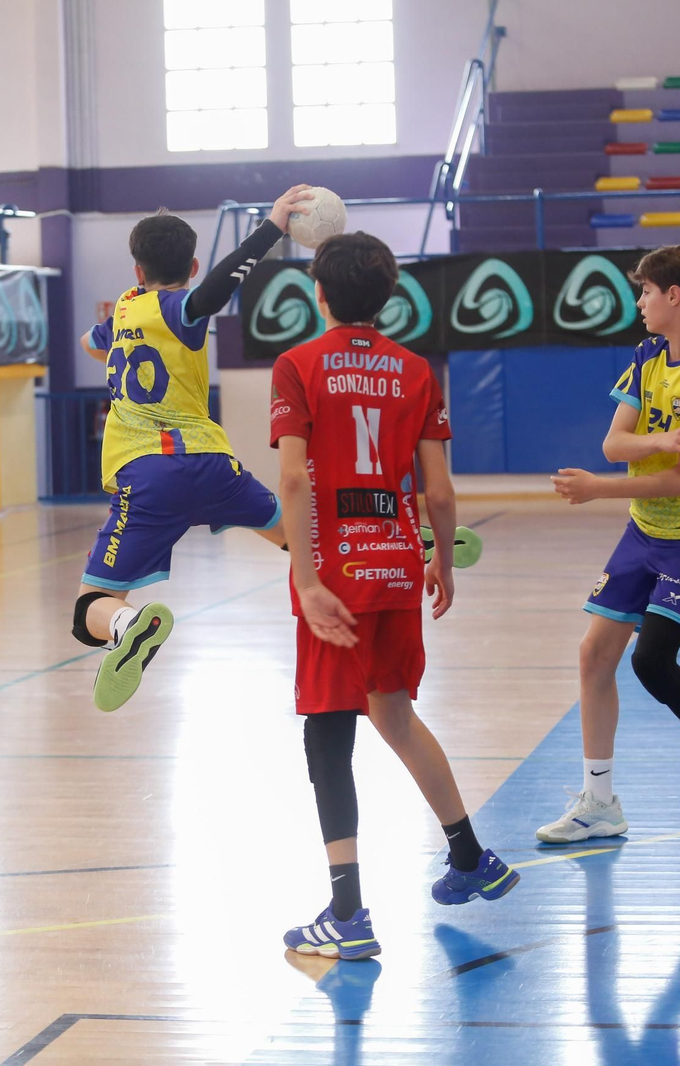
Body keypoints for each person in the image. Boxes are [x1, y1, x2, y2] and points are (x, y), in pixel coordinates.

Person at [270, 233, 518, 961]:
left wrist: (308, 581)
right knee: (394, 713)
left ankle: (347, 914)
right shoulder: (415, 371)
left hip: (336, 572)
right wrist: (444, 556)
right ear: (387, 296)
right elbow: (438, 489)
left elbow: (292, 482)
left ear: (318, 293)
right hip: (397, 565)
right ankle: (469, 855)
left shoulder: (297, 367)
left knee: (326, 733)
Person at [72, 187, 314, 712]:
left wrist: (118, 344)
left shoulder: (126, 309)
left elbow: (91, 344)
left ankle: (128, 625)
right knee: (296, 538)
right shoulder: (185, 308)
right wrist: (272, 227)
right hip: (211, 465)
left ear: (137, 271)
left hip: (148, 475)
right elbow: (217, 288)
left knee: (91, 608)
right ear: (195, 264)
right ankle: (404, 544)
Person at [543, 244, 680, 842]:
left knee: (651, 660)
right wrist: (663, 438)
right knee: (593, 655)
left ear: (674, 296)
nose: (638, 302)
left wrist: (596, 490)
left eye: (644, 292)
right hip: (645, 528)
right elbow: (614, 443)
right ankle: (599, 802)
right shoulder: (647, 355)